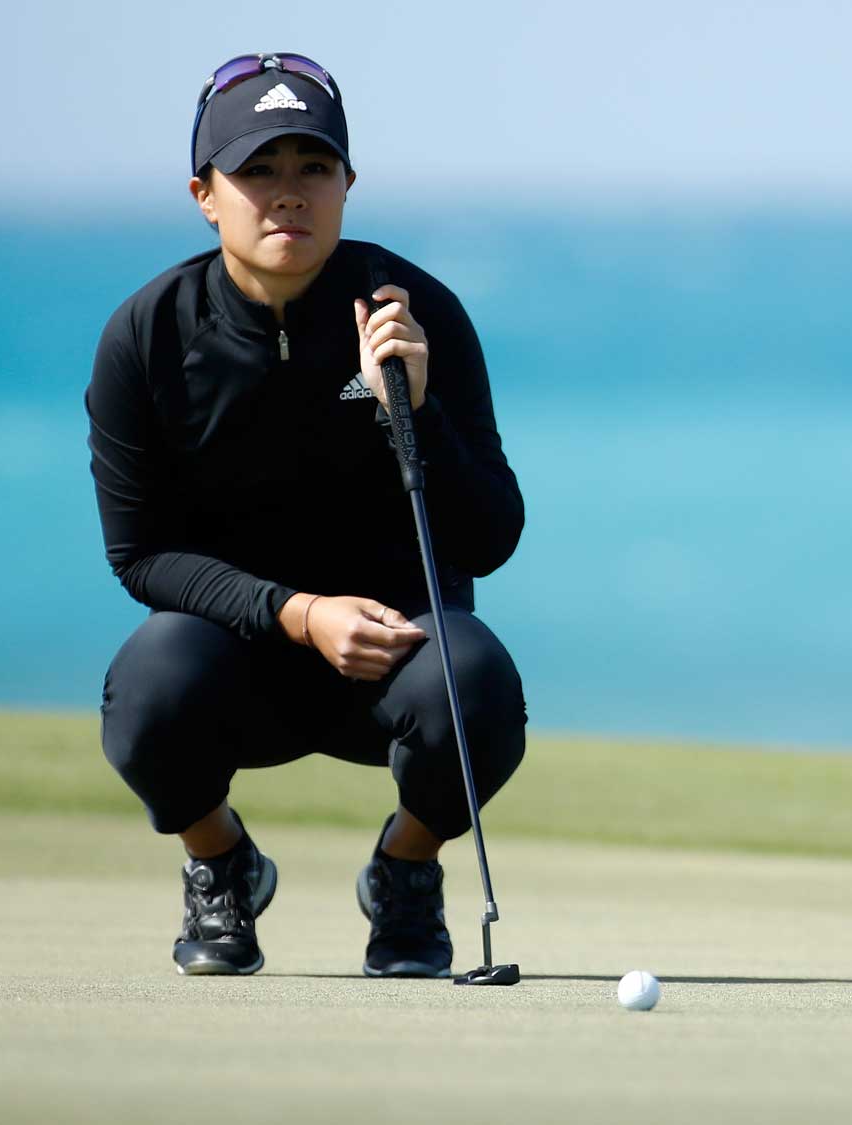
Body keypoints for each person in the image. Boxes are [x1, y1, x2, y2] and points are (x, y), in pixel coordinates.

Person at [85, 52, 527, 979]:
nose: (289, 193)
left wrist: (413, 406)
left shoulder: (417, 314)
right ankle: (222, 864)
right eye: (258, 170)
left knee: (478, 688)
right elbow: (140, 554)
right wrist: (299, 611)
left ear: (347, 186)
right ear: (205, 196)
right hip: (232, 657)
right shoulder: (147, 334)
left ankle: (405, 872)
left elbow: (492, 536)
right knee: (146, 692)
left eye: (314, 167)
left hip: (396, 652)